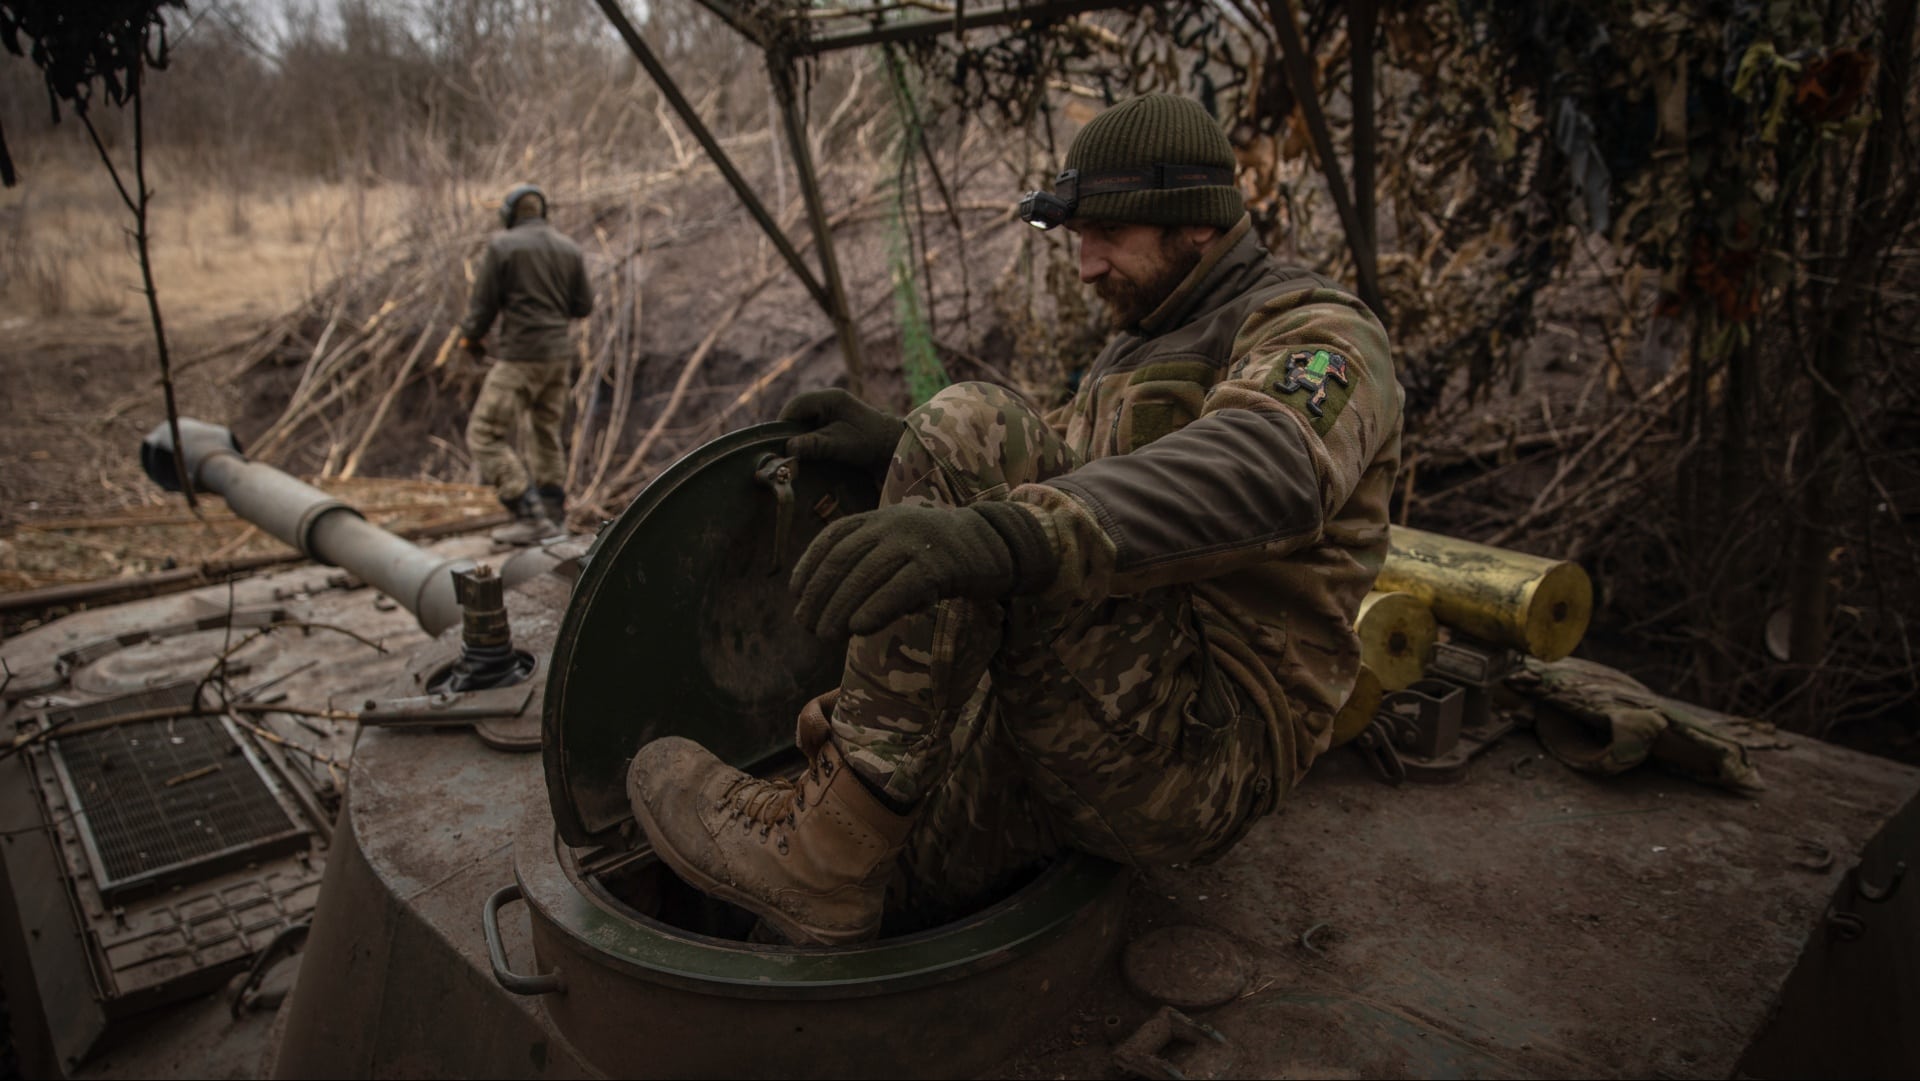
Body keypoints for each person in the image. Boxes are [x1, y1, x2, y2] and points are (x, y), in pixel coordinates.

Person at [627, 93, 1404, 945]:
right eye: (1077, 240)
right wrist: (897, 447)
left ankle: (824, 847)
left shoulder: (1313, 329)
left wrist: (1001, 524)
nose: (1087, 266)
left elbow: (1270, 464)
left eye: (1108, 234)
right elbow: (1068, 465)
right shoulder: (1137, 346)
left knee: (972, 418)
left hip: (1205, 745)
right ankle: (836, 844)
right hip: (1103, 705)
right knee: (865, 897)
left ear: (1196, 222)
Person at [460, 183, 593, 545]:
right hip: (558, 358)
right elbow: (583, 306)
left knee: (483, 433)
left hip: (521, 355)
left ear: (509, 215)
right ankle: (553, 519)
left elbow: (483, 305)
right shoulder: (569, 248)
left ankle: (526, 510)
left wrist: (470, 338)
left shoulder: (502, 246)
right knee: (545, 432)